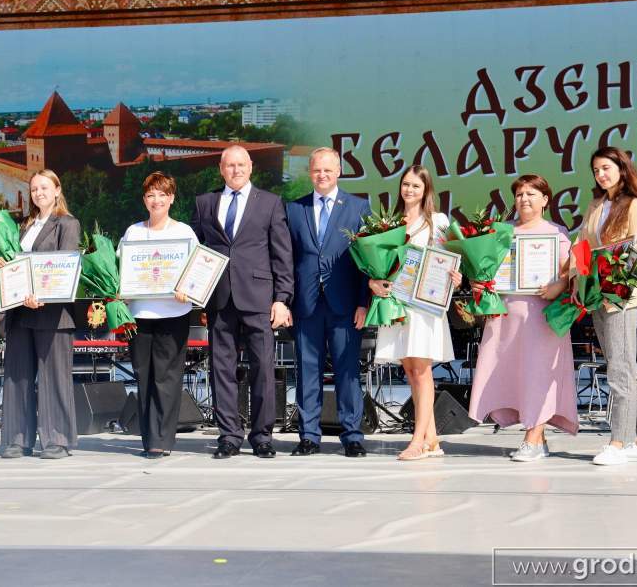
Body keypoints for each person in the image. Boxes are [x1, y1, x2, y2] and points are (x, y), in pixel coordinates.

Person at [190, 145, 294, 459]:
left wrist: (283, 299)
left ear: (251, 167)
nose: (236, 170)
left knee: (262, 367)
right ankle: (229, 436)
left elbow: (282, 254)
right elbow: (194, 250)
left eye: (241, 165)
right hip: (219, 298)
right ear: (221, 169)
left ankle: (262, 436)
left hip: (259, 298)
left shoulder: (271, 203)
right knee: (222, 369)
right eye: (229, 165)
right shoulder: (205, 202)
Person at [467, 174, 578, 462]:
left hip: (541, 318)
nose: (524, 199)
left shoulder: (557, 233)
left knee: (538, 375)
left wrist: (560, 284)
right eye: (519, 194)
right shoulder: (501, 233)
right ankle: (537, 439)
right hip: (505, 318)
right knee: (515, 376)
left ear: (545, 200)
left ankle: (532, 438)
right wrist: (478, 282)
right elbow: (484, 271)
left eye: (531, 194)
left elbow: (572, 274)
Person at [369, 165, 461, 460]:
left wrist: (456, 276)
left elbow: (450, 261)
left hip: (424, 307)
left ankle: (418, 441)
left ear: (426, 190)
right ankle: (432, 440)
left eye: (416, 186)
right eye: (406, 185)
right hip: (397, 304)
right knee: (410, 370)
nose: (409, 190)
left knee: (421, 371)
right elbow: (381, 263)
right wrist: (376, 280)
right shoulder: (391, 222)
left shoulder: (438, 221)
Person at [579, 147, 637, 466]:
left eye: (606, 168)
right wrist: (575, 273)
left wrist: (610, 273)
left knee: (619, 369)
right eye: (596, 170)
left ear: (622, 169)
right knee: (626, 366)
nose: (601, 174)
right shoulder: (597, 204)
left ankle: (619, 441)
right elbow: (582, 244)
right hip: (597, 293)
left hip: (621, 293)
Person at [284, 148, 371, 458]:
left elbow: (367, 260)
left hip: (346, 303)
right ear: (310, 173)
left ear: (339, 171)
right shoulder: (294, 209)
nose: (322, 175)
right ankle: (308, 436)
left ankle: (353, 436)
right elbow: (287, 258)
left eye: (328, 170)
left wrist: (364, 301)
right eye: (316, 170)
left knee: (348, 372)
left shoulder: (360, 206)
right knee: (307, 371)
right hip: (306, 304)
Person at [0, 170, 81, 460]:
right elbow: (15, 264)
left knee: (53, 378)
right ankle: (17, 439)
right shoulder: (22, 226)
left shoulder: (67, 224)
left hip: (53, 314)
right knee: (17, 377)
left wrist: (41, 295)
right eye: (33, 189)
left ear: (57, 190)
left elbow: (65, 268)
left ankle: (57, 440)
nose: (38, 193)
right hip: (20, 311)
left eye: (44, 187)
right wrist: (2, 268)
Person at [119, 172, 199, 459]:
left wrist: (187, 289)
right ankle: (148, 437)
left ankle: (163, 440)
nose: (156, 200)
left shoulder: (184, 232)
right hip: (139, 314)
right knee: (143, 377)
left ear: (172, 198)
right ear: (144, 200)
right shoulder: (133, 232)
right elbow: (122, 271)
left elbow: (196, 273)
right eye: (151, 195)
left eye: (162, 195)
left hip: (173, 313)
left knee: (167, 377)